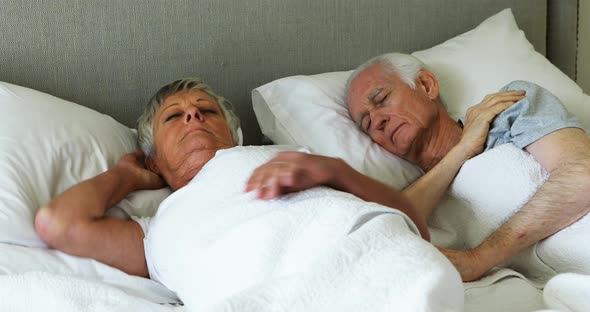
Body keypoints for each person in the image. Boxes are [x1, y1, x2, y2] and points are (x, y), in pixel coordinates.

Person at [36, 77, 474, 277]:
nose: (193, 114)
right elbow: (58, 223)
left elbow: (414, 226)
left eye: (206, 112)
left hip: (385, 270)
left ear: (235, 135)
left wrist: (334, 170)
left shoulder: (292, 162)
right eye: (175, 117)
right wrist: (125, 176)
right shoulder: (158, 230)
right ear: (154, 161)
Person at [345, 52, 590, 281]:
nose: (377, 120)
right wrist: (462, 150)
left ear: (426, 85)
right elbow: (383, 235)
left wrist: (478, 258)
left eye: (382, 99)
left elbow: (583, 174)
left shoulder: (507, 109)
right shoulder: (423, 203)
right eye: (366, 124)